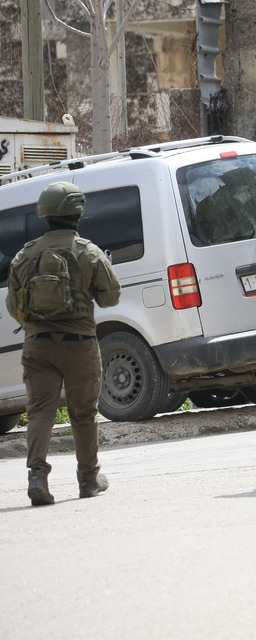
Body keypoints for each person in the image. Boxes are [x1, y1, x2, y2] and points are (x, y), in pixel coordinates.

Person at [7, 181, 121, 507]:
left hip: (37, 346)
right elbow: (112, 297)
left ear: (44, 214)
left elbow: (15, 308)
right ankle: (88, 479)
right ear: (77, 213)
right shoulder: (88, 252)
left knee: (40, 411)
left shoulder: (24, 256)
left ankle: (37, 477)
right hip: (79, 345)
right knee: (83, 413)